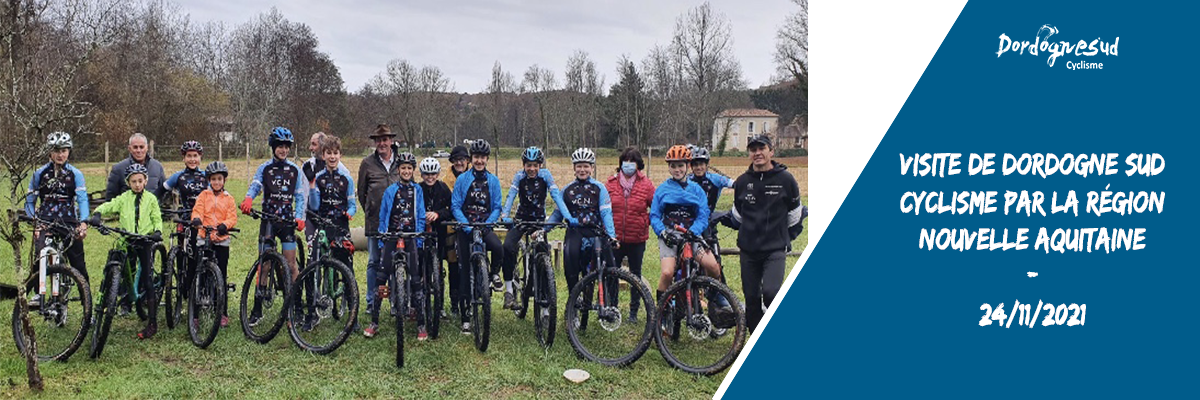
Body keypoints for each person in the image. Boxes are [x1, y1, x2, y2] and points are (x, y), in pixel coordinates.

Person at [725, 135, 805, 332]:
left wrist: (784, 236)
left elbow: (795, 214)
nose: (757, 153)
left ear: (772, 151)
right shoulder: (743, 182)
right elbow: (738, 214)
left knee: (771, 293)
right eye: (753, 150)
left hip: (774, 250)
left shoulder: (786, 179)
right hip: (749, 250)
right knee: (751, 299)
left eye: (762, 148)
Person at [651, 145, 730, 321]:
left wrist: (693, 231)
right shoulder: (662, 189)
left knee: (712, 266)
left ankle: (713, 295)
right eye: (673, 166)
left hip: (691, 235)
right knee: (667, 273)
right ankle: (661, 312)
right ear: (669, 167)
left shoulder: (696, 189)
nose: (677, 169)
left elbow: (703, 215)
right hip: (670, 236)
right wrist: (662, 232)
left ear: (687, 166)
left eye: (681, 165)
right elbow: (655, 215)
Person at [240, 126, 307, 326]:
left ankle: (296, 306)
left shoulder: (295, 170)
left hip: (286, 222)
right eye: (280, 146)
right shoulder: (264, 168)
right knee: (265, 264)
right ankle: (257, 309)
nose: (283, 150)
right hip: (268, 220)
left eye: (286, 146)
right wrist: (249, 198)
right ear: (273, 147)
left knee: (291, 264)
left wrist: (300, 216)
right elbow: (257, 185)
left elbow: (300, 196)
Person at [91, 163, 163, 339]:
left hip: (145, 239)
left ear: (145, 181)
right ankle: (106, 302)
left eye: (140, 181)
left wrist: (157, 231)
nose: (137, 184)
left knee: (147, 278)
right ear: (128, 182)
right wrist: (98, 213)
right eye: (133, 181)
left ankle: (152, 322)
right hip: (126, 237)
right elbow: (110, 205)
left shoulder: (151, 199)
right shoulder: (123, 198)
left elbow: (156, 217)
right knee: (117, 263)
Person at [500, 147, 571, 310]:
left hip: (539, 222)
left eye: (535, 165)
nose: (532, 169)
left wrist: (567, 215)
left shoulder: (546, 176)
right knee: (508, 247)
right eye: (528, 165)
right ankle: (509, 290)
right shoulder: (519, 176)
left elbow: (556, 196)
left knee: (543, 257)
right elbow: (511, 195)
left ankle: (546, 309)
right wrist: (505, 215)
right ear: (523, 165)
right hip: (521, 220)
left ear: (540, 165)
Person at [450, 139, 503, 334]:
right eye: (476, 157)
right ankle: (465, 317)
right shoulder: (463, 179)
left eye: (482, 157)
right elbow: (455, 205)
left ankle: (492, 275)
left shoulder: (493, 181)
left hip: (485, 226)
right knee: (465, 271)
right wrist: (465, 226)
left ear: (487, 159)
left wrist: (488, 224)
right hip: (466, 228)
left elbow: (497, 206)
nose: (479, 161)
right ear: (471, 159)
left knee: (498, 248)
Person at [549, 148, 618, 296]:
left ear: (592, 168)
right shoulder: (567, 190)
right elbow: (557, 214)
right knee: (570, 257)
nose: (582, 170)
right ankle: (574, 298)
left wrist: (612, 235)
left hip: (595, 232)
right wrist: (544, 229)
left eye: (586, 166)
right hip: (575, 232)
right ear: (574, 168)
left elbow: (606, 213)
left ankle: (612, 303)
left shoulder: (599, 188)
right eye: (579, 166)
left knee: (611, 264)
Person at [372, 152, 426, 339]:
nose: (406, 171)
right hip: (392, 235)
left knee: (416, 280)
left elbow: (420, 213)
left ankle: (421, 324)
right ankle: (374, 321)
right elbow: (383, 213)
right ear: (398, 170)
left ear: (413, 170)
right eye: (403, 168)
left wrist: (419, 238)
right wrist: (382, 237)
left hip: (411, 236)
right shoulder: (390, 190)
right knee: (381, 276)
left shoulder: (417, 190)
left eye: (409, 168)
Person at [26, 132, 90, 285]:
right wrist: (34, 221)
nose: (60, 155)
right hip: (44, 220)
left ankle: (86, 297)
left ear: (69, 151)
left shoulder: (76, 174)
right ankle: (37, 293)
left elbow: (82, 200)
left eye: (64, 151)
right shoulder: (39, 174)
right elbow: (29, 202)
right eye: (56, 150)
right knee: (39, 255)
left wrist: (83, 223)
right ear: (50, 152)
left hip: (68, 220)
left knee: (78, 262)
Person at [307, 136, 357, 331]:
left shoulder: (347, 179)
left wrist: (349, 213)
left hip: (341, 226)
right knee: (314, 264)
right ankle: (311, 313)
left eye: (335, 153)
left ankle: (353, 317)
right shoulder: (318, 178)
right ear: (323, 155)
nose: (332, 156)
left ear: (340, 155)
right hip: (323, 224)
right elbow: (315, 205)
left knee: (347, 269)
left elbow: (352, 205)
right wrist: (311, 186)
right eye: (329, 153)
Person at [604, 146, 655, 322]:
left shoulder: (646, 184)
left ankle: (633, 312)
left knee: (635, 275)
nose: (628, 165)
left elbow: (655, 207)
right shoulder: (610, 184)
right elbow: (603, 208)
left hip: (637, 238)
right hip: (614, 238)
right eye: (625, 161)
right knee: (613, 274)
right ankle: (612, 309)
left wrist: (644, 221)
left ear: (638, 164)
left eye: (632, 161)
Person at [358, 124, 402, 314]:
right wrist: (371, 209)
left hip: (396, 222)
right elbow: (361, 193)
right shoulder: (367, 164)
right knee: (374, 261)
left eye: (385, 140)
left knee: (393, 261)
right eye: (378, 140)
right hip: (375, 221)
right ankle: (371, 301)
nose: (382, 143)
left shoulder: (401, 162)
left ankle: (394, 301)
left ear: (391, 141)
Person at [190, 161, 238, 327]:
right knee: (200, 273)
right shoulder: (203, 195)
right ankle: (195, 313)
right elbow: (197, 210)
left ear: (224, 180)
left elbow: (232, 216)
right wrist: (196, 219)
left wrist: (226, 225)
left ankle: (222, 311)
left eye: (219, 179)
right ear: (209, 180)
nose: (217, 182)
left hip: (222, 240)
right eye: (213, 179)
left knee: (221, 275)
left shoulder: (229, 198)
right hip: (205, 237)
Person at [418, 157, 453, 318]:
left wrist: (438, 214)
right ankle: (417, 302)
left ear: (438, 174)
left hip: (439, 232)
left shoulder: (444, 188)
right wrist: (421, 216)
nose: (430, 177)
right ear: (422, 174)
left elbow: (451, 209)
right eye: (426, 174)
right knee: (420, 268)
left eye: (433, 174)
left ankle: (439, 306)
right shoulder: (418, 189)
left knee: (438, 268)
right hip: (421, 232)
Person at [440, 144, 470, 314]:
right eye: (456, 160)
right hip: (452, 227)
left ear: (467, 160)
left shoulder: (475, 176)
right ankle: (454, 301)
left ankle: (473, 297)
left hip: (472, 224)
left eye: (463, 159)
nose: (460, 163)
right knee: (453, 266)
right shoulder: (446, 181)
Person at [106, 133, 166, 201]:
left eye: (141, 147)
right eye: (135, 147)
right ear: (129, 148)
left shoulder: (157, 167)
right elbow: (110, 199)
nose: (138, 150)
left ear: (147, 148)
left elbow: (164, 193)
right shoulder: (118, 169)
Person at [162, 141, 209, 216]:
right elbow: (159, 192)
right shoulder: (178, 176)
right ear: (183, 158)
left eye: (195, 156)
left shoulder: (206, 176)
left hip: (204, 218)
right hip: (185, 219)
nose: (192, 159)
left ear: (200, 157)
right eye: (189, 156)